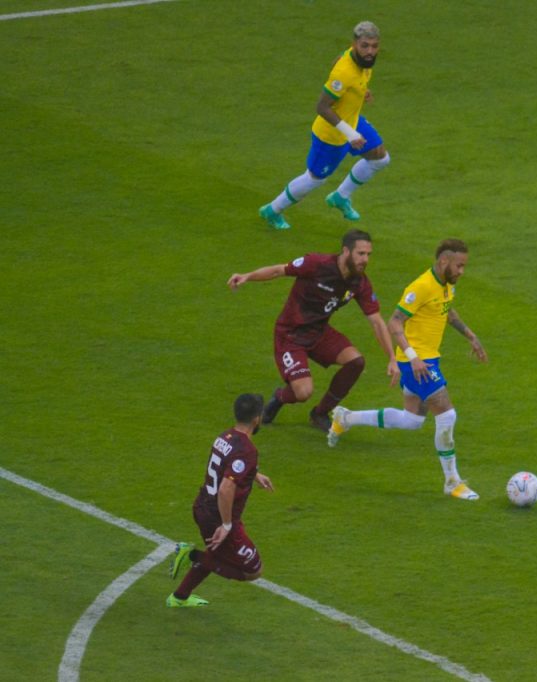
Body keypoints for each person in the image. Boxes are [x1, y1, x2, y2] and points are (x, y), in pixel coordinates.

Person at [327, 239, 487, 500]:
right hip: (417, 362)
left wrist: (471, 336)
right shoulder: (421, 286)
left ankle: (345, 418)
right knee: (447, 415)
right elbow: (394, 323)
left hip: (428, 359)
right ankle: (452, 482)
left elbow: (446, 311)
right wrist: (413, 358)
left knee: (411, 420)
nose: (462, 271)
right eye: (459, 266)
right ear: (444, 261)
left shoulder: (446, 284)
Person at [227, 229, 398, 432]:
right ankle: (280, 397)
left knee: (356, 362)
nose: (365, 260)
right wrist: (247, 276)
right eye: (361, 254)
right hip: (291, 335)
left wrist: (392, 357)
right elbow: (279, 270)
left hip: (319, 332)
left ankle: (320, 413)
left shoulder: (359, 282)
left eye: (368, 254)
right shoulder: (317, 264)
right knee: (303, 392)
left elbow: (376, 321)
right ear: (346, 251)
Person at [259, 20, 390, 230]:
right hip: (331, 134)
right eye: (365, 46)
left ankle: (341, 197)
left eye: (374, 46)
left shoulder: (360, 60)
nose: (370, 51)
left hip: (352, 121)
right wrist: (350, 134)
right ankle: (272, 210)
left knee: (380, 158)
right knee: (315, 179)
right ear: (355, 44)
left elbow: (340, 61)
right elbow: (321, 107)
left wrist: (360, 91)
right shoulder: (344, 73)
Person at [167, 393, 273, 607]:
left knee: (216, 554)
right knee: (253, 571)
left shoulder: (225, 436)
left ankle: (179, 597)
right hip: (218, 516)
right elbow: (226, 488)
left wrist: (254, 474)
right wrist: (226, 525)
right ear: (256, 419)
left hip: (203, 506)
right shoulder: (247, 450)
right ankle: (191, 555)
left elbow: (228, 465)